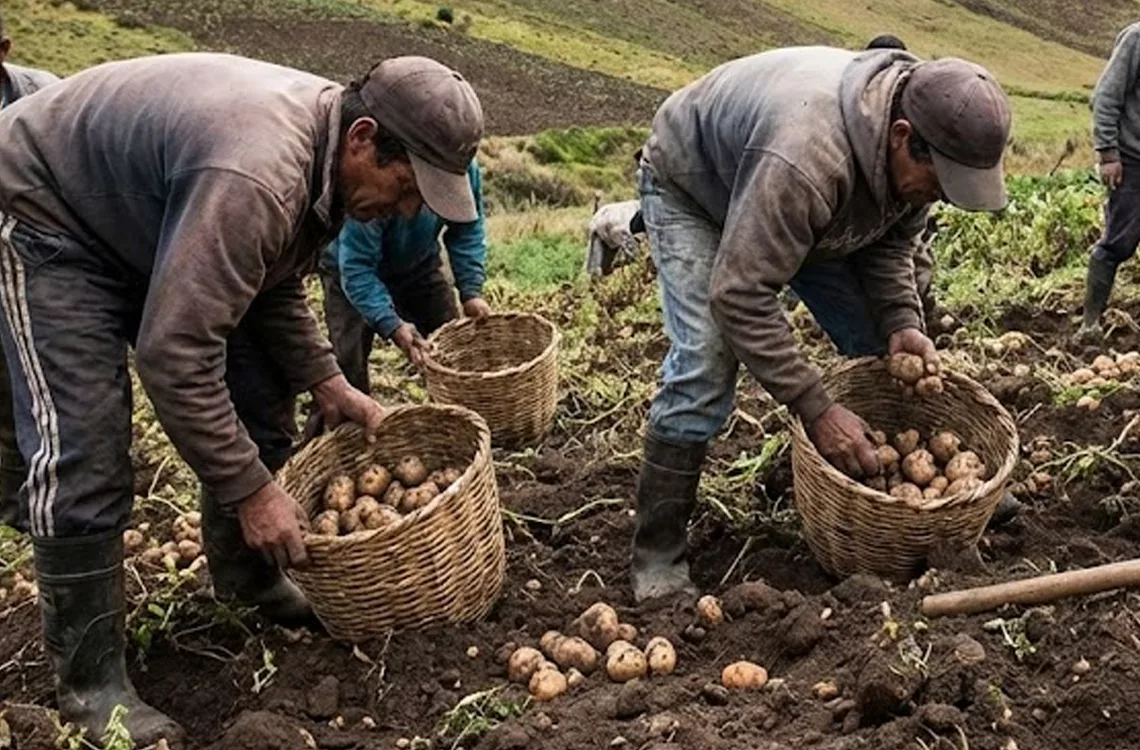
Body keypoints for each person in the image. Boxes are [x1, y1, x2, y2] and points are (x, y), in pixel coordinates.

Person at [0, 52, 483, 744]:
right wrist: (251, 491)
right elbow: (175, 355)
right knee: (86, 443)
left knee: (262, 390)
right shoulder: (257, 172)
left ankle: (247, 580)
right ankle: (90, 686)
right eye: (407, 186)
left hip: (144, 222)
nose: (408, 210)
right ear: (364, 138)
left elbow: (270, 279)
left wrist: (327, 378)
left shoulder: (320, 161)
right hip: (47, 213)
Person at [631, 46, 1011, 602]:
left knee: (874, 343)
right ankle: (657, 554)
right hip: (696, 188)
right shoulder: (808, 158)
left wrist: (903, 321)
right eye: (936, 183)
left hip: (797, 204)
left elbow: (888, 243)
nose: (935, 197)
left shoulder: (917, 153)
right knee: (706, 365)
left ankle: (949, 499)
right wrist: (815, 407)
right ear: (903, 137)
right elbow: (740, 294)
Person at [319, 158, 488, 389]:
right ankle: (340, 422)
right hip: (347, 270)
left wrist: (471, 291)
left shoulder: (463, 168)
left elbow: (467, 227)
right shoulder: (380, 184)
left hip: (418, 263)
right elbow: (357, 269)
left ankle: (457, 418)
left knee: (452, 352)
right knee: (347, 367)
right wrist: (393, 326)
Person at [0, 9, 59, 529]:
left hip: (44, 256)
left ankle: (41, 495)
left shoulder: (45, 99)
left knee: (40, 382)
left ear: (3, 50)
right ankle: (14, 502)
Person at [1080, 21, 1140, 342]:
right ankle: (1090, 323)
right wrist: (1107, 153)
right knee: (1118, 242)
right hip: (1133, 161)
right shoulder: (1136, 39)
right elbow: (1105, 97)